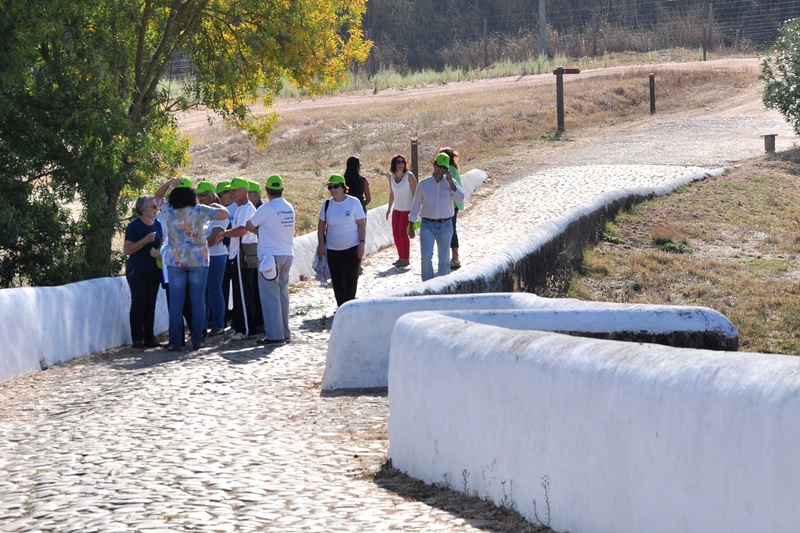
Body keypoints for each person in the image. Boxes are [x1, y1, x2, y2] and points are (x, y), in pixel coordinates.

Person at [155, 177, 229, 351]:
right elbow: (225, 214)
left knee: (176, 303)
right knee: (198, 302)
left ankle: (176, 341)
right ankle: (197, 340)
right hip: (198, 260)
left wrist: (169, 183)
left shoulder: (169, 211)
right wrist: (215, 204)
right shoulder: (200, 210)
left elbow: (157, 196)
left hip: (175, 260)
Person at [246, 175, 295, 345]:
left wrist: (259, 232)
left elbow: (248, 224)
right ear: (282, 189)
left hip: (270, 257)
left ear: (266, 191)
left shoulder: (266, 208)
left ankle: (275, 336)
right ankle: (285, 333)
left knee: (270, 297)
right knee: (282, 294)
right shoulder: (289, 207)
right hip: (287, 254)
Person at [408, 153, 465, 281]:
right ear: (434, 165)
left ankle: (442, 287)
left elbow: (460, 198)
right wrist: (411, 225)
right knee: (426, 256)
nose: (441, 170)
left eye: (444, 168)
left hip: (445, 225)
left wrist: (451, 184)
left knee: (444, 258)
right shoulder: (423, 184)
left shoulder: (451, 183)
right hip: (427, 225)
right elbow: (416, 204)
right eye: (439, 166)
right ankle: (427, 285)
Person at [316, 174, 366, 307]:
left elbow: (361, 224)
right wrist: (321, 245)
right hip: (333, 249)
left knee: (351, 278)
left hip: (352, 247)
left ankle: (349, 305)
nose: (333, 190)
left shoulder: (354, 202)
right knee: (337, 280)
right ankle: (340, 305)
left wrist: (362, 244)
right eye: (330, 187)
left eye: (336, 186)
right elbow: (321, 227)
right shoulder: (326, 205)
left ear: (343, 187)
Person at [123, 195, 163, 349]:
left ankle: (149, 337)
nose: (156, 209)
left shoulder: (158, 224)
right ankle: (137, 338)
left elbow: (162, 243)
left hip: (153, 268)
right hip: (137, 269)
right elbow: (127, 250)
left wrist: (159, 253)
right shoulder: (134, 227)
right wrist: (144, 241)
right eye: (153, 206)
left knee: (150, 302)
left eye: (156, 206)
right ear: (143, 210)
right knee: (139, 302)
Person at [223, 177, 259, 340]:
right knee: (241, 293)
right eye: (230, 190)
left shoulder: (246, 209)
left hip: (242, 255)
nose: (232, 193)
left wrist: (224, 234)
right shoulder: (240, 209)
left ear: (244, 191)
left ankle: (247, 329)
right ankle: (242, 326)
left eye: (234, 190)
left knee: (244, 294)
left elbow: (243, 230)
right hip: (238, 254)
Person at [196, 181, 227, 336]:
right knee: (204, 291)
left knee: (214, 289)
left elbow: (215, 237)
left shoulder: (218, 213)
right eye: (198, 196)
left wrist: (197, 248)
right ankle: (204, 324)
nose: (200, 198)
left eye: (203, 195)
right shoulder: (203, 212)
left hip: (216, 255)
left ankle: (218, 324)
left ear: (210, 195)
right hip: (205, 255)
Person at [385, 154, 417, 268]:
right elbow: (392, 194)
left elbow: (415, 194)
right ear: (394, 164)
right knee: (395, 233)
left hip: (407, 209)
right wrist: (389, 209)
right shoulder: (391, 177)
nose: (400, 164)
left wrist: (415, 210)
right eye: (398, 162)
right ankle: (400, 257)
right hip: (397, 209)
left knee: (402, 233)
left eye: (402, 162)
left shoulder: (409, 176)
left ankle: (406, 258)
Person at [438, 147, 464, 270]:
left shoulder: (449, 170)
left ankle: (455, 258)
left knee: (451, 231)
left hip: (451, 205)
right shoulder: (453, 169)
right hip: (452, 205)